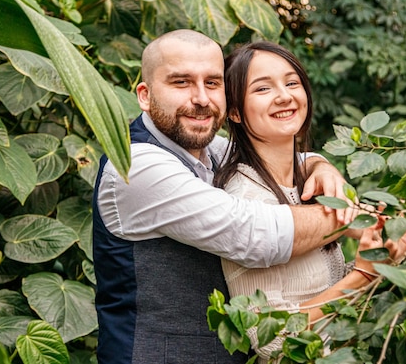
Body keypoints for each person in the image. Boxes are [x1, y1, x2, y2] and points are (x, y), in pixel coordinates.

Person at [92, 30, 357, 364]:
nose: (201, 98)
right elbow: (255, 235)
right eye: (181, 82)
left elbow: (278, 152)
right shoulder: (137, 165)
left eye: (213, 83)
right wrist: (351, 217)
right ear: (144, 95)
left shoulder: (208, 148)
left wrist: (321, 166)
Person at [215, 41, 406, 362]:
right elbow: (269, 338)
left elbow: (317, 290)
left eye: (292, 82)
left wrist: (382, 261)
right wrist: (362, 276)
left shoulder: (307, 183)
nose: (284, 95)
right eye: (263, 88)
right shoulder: (247, 200)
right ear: (235, 112)